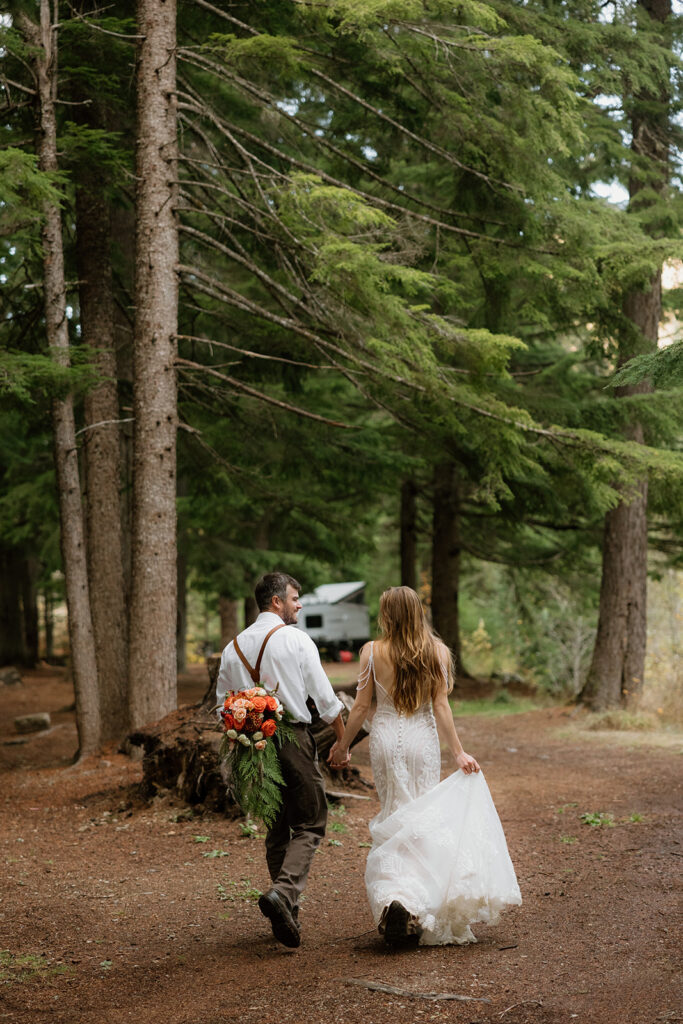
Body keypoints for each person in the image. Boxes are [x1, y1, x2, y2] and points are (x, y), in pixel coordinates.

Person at [328, 586, 521, 947]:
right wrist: (458, 753)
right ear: (418, 613)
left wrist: (342, 746)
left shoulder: (371, 651)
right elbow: (441, 708)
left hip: (385, 743)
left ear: (388, 616)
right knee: (420, 820)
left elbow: (359, 708)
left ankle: (398, 901)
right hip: (422, 743)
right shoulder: (437, 651)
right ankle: (416, 904)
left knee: (395, 815)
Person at [216, 571, 348, 949]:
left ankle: (286, 911)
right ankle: (285, 895)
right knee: (310, 822)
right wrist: (341, 740)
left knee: (276, 827)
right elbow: (325, 700)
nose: (299, 604)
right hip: (292, 739)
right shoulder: (295, 640)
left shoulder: (233, 647)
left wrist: (246, 735)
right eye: (295, 598)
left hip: (252, 745)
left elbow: (222, 705)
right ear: (276, 601)